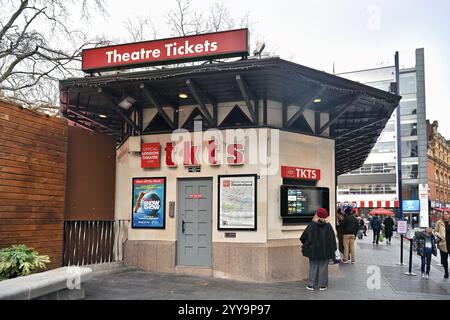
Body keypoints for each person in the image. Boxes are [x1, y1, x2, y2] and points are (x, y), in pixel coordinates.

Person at [300, 208, 337, 291]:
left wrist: (308, 245)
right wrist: (333, 250)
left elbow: (303, 237)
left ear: (317, 214)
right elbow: (332, 240)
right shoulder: (328, 226)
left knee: (313, 266)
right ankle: (322, 285)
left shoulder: (312, 225)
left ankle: (311, 285)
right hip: (325, 251)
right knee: (323, 267)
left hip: (313, 251)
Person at [434, 211, 450, 278]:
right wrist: (439, 235)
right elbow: (435, 231)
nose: (445, 215)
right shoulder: (439, 222)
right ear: (443, 215)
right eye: (444, 214)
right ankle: (446, 272)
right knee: (444, 260)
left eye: (447, 214)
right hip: (443, 243)